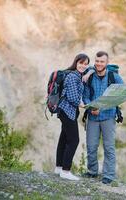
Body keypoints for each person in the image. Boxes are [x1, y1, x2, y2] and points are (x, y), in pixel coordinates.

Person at [83, 51, 126, 184]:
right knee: (91, 146)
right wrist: (91, 107)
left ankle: (109, 175)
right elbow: (85, 96)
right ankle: (92, 172)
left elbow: (124, 90)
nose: (99, 64)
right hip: (93, 117)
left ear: (107, 63)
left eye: (102, 61)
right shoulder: (90, 77)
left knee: (109, 147)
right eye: (97, 61)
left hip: (109, 116)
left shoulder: (113, 76)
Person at [54, 53, 90, 181]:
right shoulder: (73, 77)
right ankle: (66, 170)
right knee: (74, 140)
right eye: (81, 63)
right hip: (67, 111)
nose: (83, 66)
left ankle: (58, 168)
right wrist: (83, 104)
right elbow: (73, 98)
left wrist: (88, 73)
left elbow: (90, 69)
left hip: (65, 111)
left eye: (86, 64)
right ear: (76, 62)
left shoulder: (77, 75)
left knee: (64, 139)